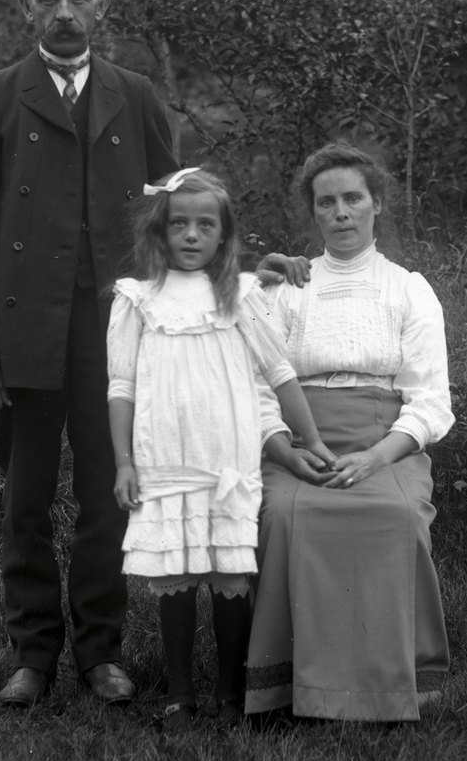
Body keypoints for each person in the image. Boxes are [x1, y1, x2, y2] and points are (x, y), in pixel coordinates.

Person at [0, 0, 178, 709]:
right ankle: (34, 655)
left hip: (115, 333)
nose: (65, 12)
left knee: (110, 497)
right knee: (27, 500)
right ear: (26, 7)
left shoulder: (135, 95)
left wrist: (222, 289)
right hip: (26, 335)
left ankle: (101, 651)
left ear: (102, 5)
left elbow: (177, 218)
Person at [106, 168, 336, 731]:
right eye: (178, 224)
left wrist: (312, 439)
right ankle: (180, 693)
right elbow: (122, 387)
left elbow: (280, 374)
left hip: (227, 460)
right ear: (158, 231)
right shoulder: (137, 301)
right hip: (164, 460)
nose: (191, 235)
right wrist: (124, 462)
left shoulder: (242, 295)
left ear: (223, 234)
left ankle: (232, 692)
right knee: (177, 572)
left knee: (231, 573)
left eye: (205, 225)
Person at [246, 143, 455, 723]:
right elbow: (257, 386)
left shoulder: (409, 289)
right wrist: (283, 451)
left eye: (353, 199)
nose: (340, 213)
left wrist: (375, 457)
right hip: (299, 440)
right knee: (283, 516)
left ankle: (392, 686)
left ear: (376, 204)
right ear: (313, 212)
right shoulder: (283, 289)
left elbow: (430, 400)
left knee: (399, 515)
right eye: (326, 202)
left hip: (384, 440)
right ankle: (289, 687)